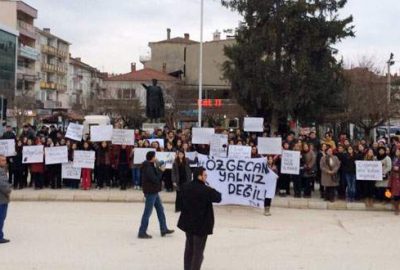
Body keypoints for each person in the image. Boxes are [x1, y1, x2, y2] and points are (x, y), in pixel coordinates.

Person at [178, 167, 222, 270]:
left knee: (189, 248)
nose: (206, 177)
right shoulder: (206, 190)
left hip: (188, 223)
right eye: (205, 175)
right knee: (198, 251)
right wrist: (208, 187)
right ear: (199, 176)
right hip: (201, 226)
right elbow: (218, 197)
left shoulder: (185, 186)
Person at [138, 151, 174, 239]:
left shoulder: (150, 166)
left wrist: (158, 167)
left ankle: (163, 229)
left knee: (160, 210)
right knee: (147, 212)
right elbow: (155, 179)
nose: (156, 158)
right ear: (152, 158)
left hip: (154, 191)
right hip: (150, 192)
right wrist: (161, 171)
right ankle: (142, 232)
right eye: (155, 157)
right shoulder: (148, 168)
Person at [0, 155, 11, 244]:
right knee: (1, 218)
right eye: (3, 160)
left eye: (5, 160)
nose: (5, 162)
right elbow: (3, 184)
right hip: (2, 199)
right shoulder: (1, 171)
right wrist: (9, 190)